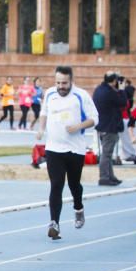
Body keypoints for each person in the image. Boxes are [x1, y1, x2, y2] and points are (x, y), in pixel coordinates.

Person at [35, 65, 98, 240]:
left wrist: (79, 126)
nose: (61, 86)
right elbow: (44, 112)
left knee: (74, 185)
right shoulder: (50, 94)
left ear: (71, 81)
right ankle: (54, 223)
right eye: (58, 83)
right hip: (54, 148)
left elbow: (95, 118)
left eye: (64, 83)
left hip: (75, 148)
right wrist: (41, 129)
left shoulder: (81, 96)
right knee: (56, 184)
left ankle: (78, 207)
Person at [93, 71, 126, 185]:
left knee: (107, 152)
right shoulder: (110, 92)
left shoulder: (99, 89)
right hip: (109, 126)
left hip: (101, 125)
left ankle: (110, 176)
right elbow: (123, 102)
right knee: (106, 154)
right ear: (114, 81)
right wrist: (121, 90)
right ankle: (104, 177)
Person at [119, 77, 136, 164]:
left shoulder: (124, 93)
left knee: (126, 138)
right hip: (123, 118)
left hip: (125, 117)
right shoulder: (121, 93)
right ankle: (128, 154)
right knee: (126, 138)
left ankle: (128, 154)